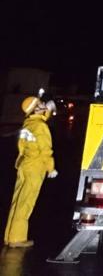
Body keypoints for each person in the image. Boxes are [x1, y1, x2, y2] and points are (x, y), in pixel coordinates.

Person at [4, 96, 58, 248]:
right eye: (40, 104)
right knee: (26, 202)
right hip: (35, 166)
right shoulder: (41, 127)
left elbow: (22, 145)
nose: (43, 105)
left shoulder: (28, 124)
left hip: (24, 165)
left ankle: (9, 236)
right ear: (35, 109)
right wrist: (51, 168)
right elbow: (45, 149)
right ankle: (17, 238)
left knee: (17, 201)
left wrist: (48, 108)